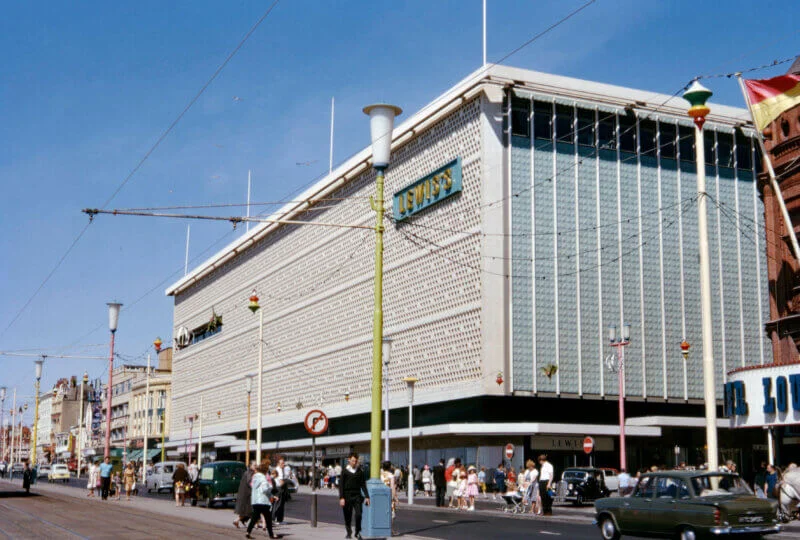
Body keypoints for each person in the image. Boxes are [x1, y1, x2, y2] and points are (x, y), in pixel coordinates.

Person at [339, 452, 370, 540]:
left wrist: (367, 496)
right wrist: (341, 498)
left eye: (355, 461)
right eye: (353, 461)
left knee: (359, 514)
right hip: (347, 496)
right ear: (349, 460)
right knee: (347, 515)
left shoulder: (359, 471)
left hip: (357, 496)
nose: (354, 462)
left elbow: (363, 485)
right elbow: (341, 485)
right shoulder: (344, 471)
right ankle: (349, 532)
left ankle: (357, 532)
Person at [246, 462, 278, 539]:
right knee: (268, 519)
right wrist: (270, 488)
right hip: (263, 501)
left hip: (255, 500)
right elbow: (265, 489)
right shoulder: (263, 478)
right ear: (265, 470)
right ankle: (271, 535)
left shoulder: (255, 477)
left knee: (254, 518)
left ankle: (248, 532)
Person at [234, 462, 256, 529]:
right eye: (254, 465)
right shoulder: (250, 473)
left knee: (247, 511)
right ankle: (237, 520)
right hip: (247, 495)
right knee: (249, 510)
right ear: (250, 466)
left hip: (244, 494)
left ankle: (255, 523)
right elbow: (249, 482)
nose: (256, 466)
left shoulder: (247, 472)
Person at [381, 461, 398, 535]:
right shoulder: (391, 475)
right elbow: (392, 487)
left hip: (381, 496)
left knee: (382, 512)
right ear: (390, 467)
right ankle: (390, 530)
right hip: (388, 496)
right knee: (391, 513)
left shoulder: (380, 475)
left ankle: (382, 528)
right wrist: (395, 497)